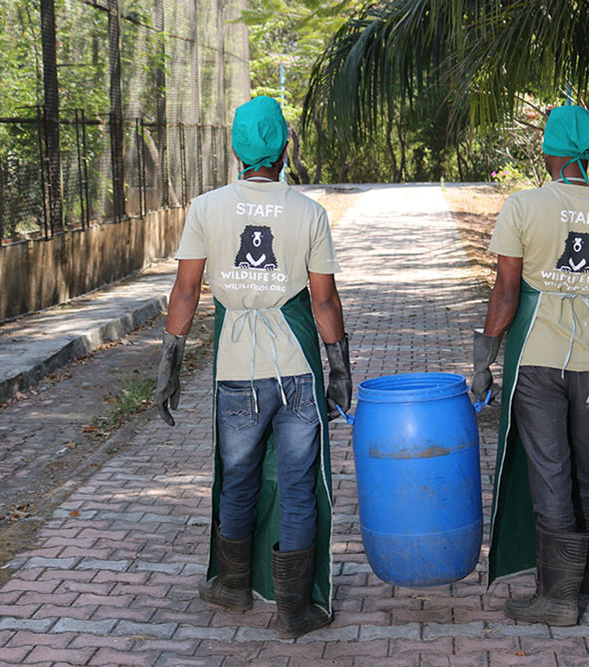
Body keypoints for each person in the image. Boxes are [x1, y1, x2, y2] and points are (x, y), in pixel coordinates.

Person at [155, 96, 351, 639]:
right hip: (297, 369)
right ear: (284, 148)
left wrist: (170, 362)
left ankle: (233, 586)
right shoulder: (308, 212)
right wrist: (339, 368)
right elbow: (324, 301)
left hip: (236, 368)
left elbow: (186, 291)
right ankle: (294, 609)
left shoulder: (206, 208)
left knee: (238, 477)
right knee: (298, 484)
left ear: (236, 150)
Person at [471, 105, 589, 626]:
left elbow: (507, 293)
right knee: (588, 461)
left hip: (538, 356)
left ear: (548, 150)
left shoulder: (523, 206)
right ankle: (584, 575)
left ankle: (556, 596)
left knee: (551, 467)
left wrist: (484, 357)